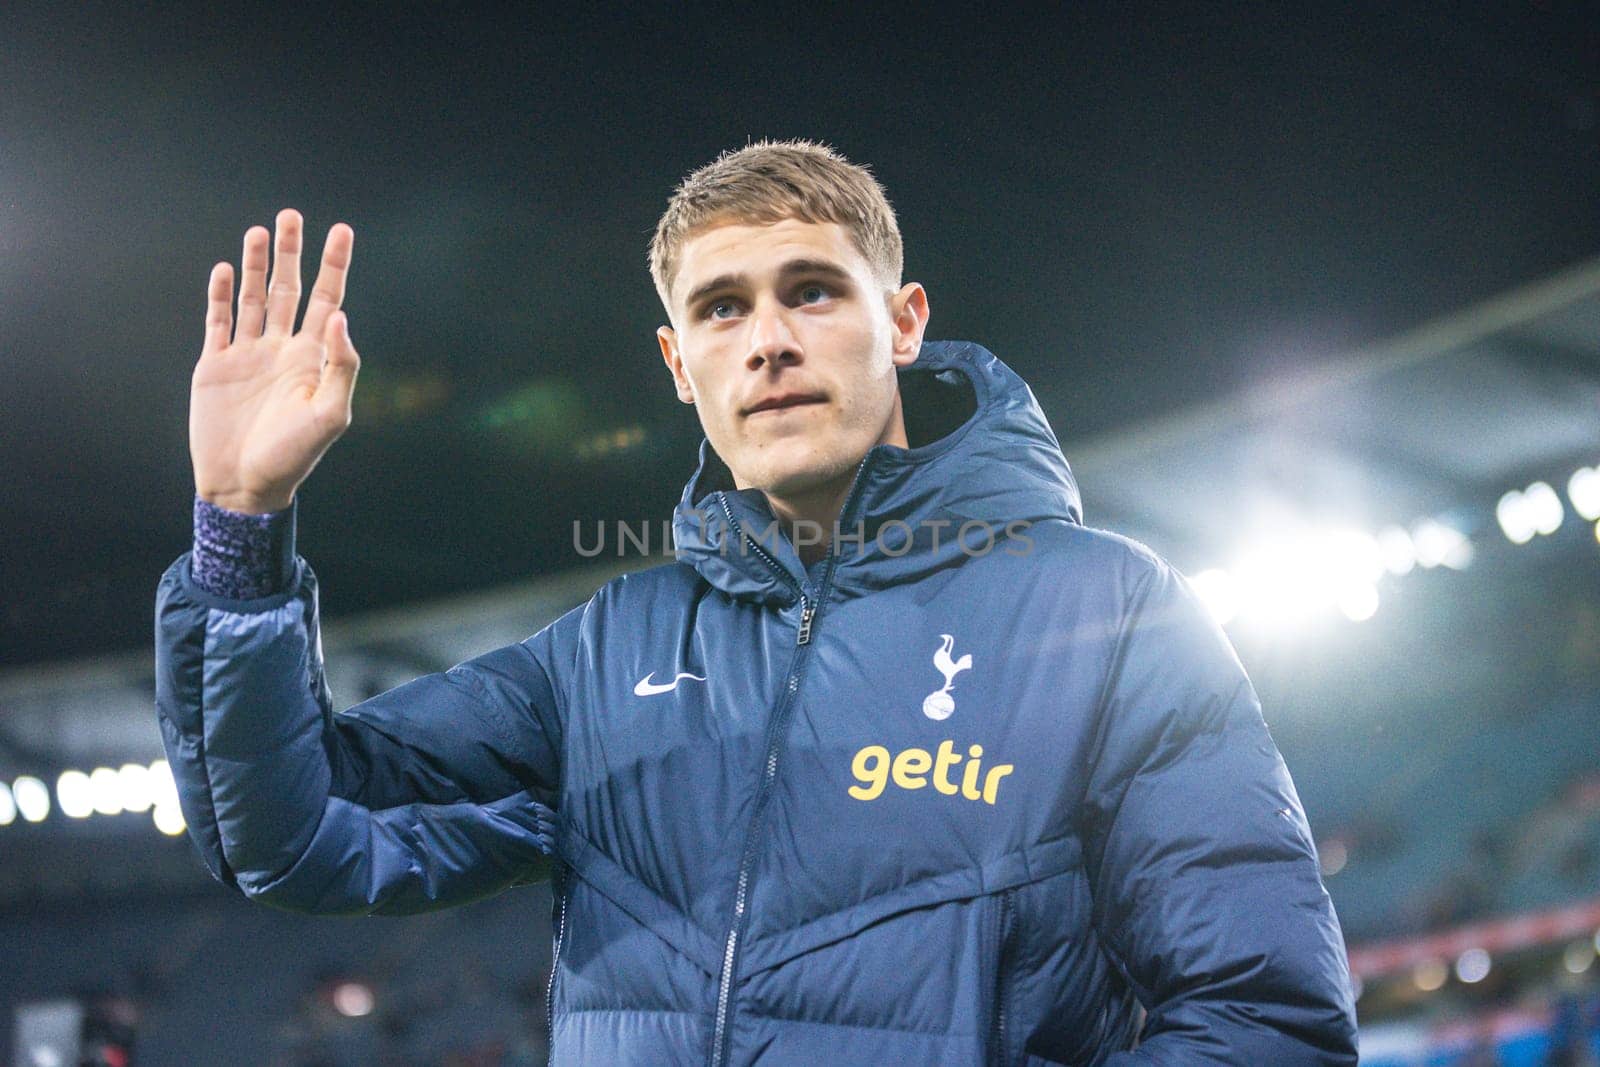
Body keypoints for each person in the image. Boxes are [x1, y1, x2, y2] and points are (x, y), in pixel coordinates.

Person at [155, 140, 1358, 1064]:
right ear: (680, 366)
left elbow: (1263, 1018)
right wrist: (238, 523)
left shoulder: (1104, 616)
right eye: (721, 307)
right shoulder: (601, 654)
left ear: (903, 322)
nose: (767, 340)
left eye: (813, 291)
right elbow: (290, 831)